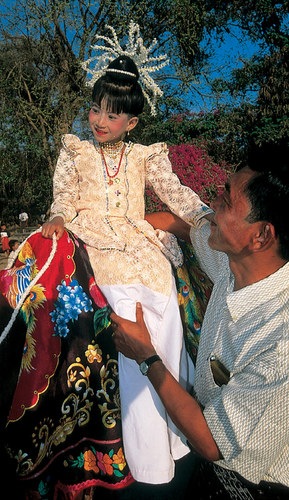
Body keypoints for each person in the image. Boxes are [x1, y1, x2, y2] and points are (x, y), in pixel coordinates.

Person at [42, 23, 213, 484]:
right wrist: (58, 218)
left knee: (166, 315)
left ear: (132, 122)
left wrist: (202, 216)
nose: (99, 120)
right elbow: (62, 198)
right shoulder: (74, 151)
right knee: (122, 312)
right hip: (93, 241)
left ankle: (176, 433)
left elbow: (174, 192)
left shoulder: (144, 156)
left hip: (141, 244)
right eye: (95, 109)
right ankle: (143, 456)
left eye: (112, 115)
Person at [110, 141, 289, 499]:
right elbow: (186, 226)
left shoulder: (280, 342)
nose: (213, 205)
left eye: (227, 200)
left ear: (261, 235)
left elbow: (211, 443)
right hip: (209, 465)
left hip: (252, 487)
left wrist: (146, 357)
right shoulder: (234, 263)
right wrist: (124, 232)